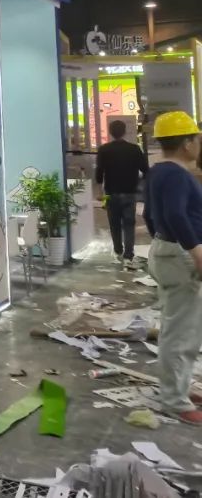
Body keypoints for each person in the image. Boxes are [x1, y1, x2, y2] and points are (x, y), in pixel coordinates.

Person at [144, 111, 202, 424]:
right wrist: (196, 252)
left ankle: (179, 387)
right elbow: (176, 215)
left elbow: (149, 215)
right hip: (180, 255)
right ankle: (175, 401)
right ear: (186, 143)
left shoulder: (158, 171)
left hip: (166, 250)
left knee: (175, 327)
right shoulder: (178, 175)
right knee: (182, 332)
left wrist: (162, 242)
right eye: (197, 139)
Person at [96, 119, 148, 267]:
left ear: (110, 132)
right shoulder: (134, 149)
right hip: (130, 193)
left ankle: (118, 250)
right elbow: (145, 169)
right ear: (124, 131)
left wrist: (100, 193)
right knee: (129, 224)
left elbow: (99, 173)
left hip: (111, 193)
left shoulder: (104, 149)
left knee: (114, 224)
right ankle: (128, 254)